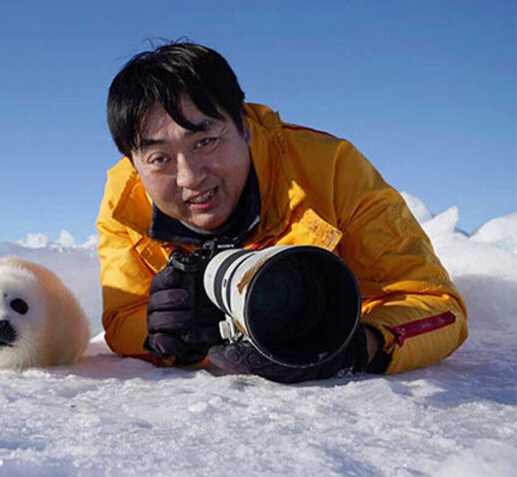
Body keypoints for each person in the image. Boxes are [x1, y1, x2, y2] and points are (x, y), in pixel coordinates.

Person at [96, 41, 467, 383]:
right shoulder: (126, 205)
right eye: (159, 158)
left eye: (206, 141)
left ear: (244, 128)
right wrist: (162, 332)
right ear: (134, 162)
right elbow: (120, 321)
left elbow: (437, 306)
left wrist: (356, 348)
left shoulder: (329, 171)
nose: (190, 178)